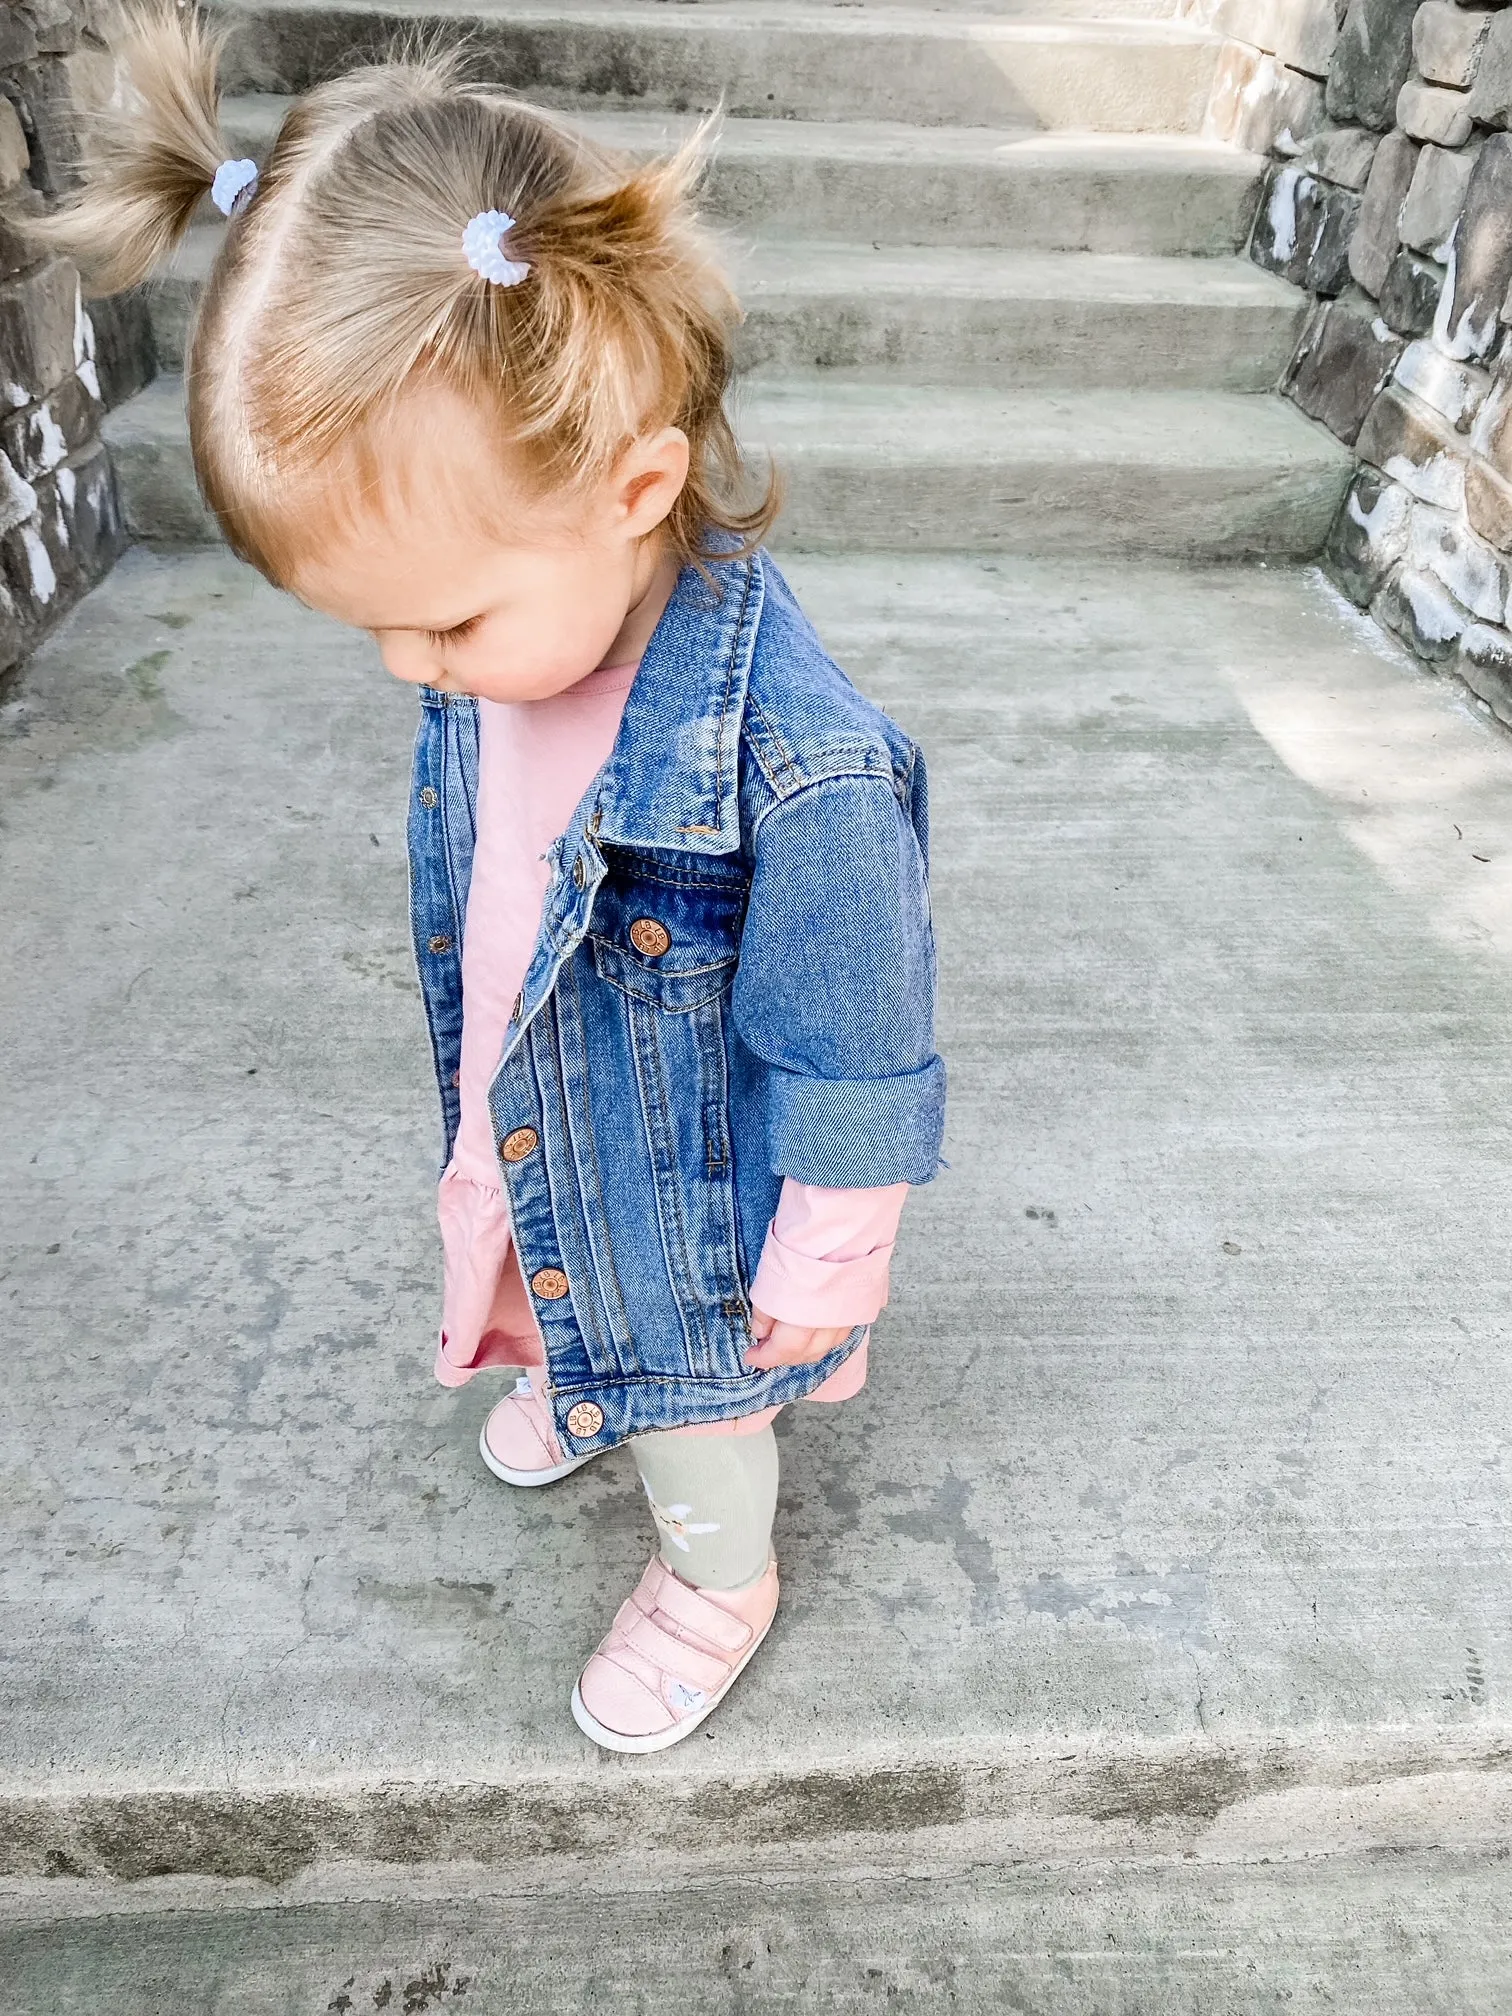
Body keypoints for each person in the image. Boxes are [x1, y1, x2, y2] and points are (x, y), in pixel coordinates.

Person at [43, 9, 946, 1752]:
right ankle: (571, 1355)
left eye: (441, 618)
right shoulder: (506, 656)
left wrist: (830, 1251)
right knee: (546, 1252)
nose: (410, 669)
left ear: (638, 486)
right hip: (550, 1111)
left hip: (692, 1199)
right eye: (370, 627)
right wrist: (462, 638)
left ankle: (715, 1573)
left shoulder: (801, 762)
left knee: (697, 1394)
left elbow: (857, 1043)